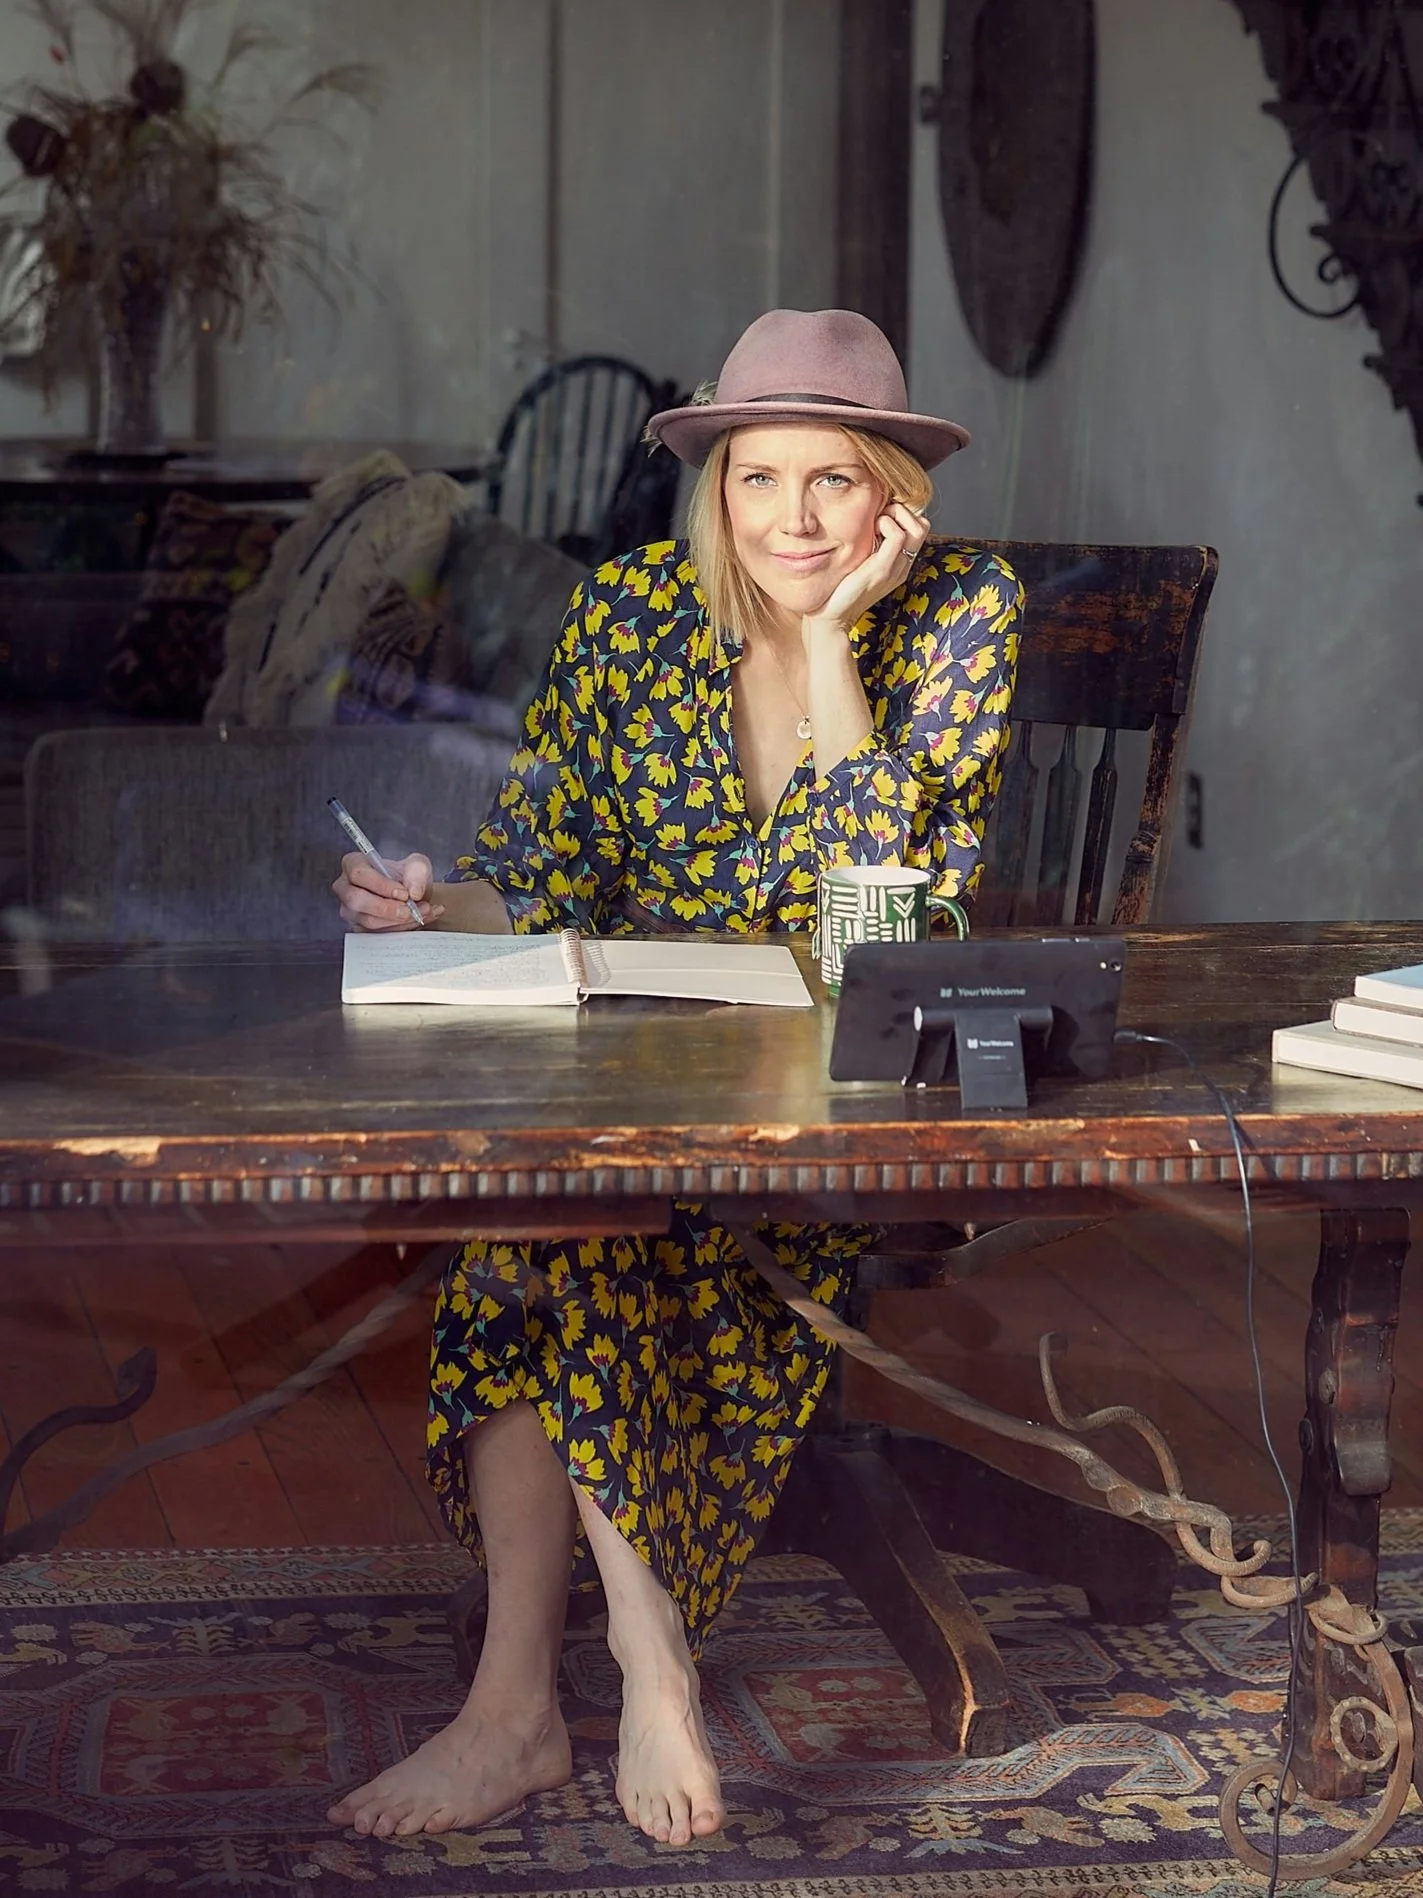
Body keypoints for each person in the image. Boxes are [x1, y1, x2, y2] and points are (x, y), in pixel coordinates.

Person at [328, 308, 1022, 1848]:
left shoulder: (964, 612)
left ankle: (540, 1700)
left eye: (831, 480)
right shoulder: (635, 610)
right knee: (538, 1213)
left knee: (547, 1230)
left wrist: (836, 644)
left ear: (894, 496)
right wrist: (432, 902)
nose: (788, 518)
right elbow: (543, 868)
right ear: (712, 488)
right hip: (639, 1071)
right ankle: (611, 1676)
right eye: (756, 478)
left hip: (854, 1095)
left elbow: (873, 929)